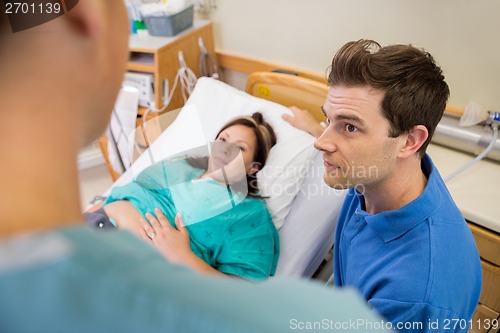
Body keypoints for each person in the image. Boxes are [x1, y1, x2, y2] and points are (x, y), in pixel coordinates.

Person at [0, 3, 387, 332]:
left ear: (253, 167)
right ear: (86, 11)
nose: (221, 151)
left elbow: (245, 292)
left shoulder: (251, 218)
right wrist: (107, 212)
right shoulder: (174, 171)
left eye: (235, 148)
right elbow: (118, 195)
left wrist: (180, 256)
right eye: (219, 142)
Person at [283, 40, 482, 332]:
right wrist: (321, 126)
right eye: (328, 119)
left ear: (409, 141)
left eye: (350, 127)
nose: (321, 142)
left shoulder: (413, 297)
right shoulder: (381, 173)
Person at [85, 112, 280, 281]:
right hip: (93, 230)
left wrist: (182, 255)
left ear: (253, 168)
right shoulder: (179, 166)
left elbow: (239, 292)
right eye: (223, 139)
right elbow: (130, 190)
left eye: (240, 147)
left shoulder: (249, 212)